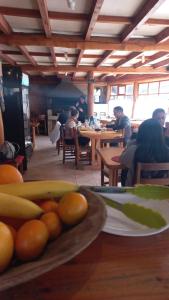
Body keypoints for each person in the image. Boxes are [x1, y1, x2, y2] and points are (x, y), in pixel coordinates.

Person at [120, 118, 169, 186]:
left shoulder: (134, 149)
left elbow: (122, 160)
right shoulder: (167, 150)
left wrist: (130, 144)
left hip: (136, 193)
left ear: (140, 133)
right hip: (161, 194)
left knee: (125, 171)